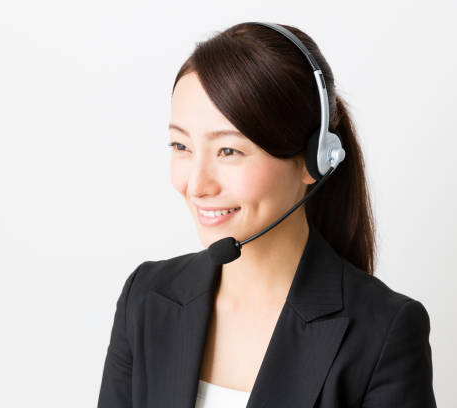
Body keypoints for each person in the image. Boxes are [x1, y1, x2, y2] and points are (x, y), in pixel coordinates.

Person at [97, 22, 436, 408]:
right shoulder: (145, 298)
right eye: (181, 145)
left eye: (229, 151)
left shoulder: (383, 333)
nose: (196, 184)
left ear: (314, 160)